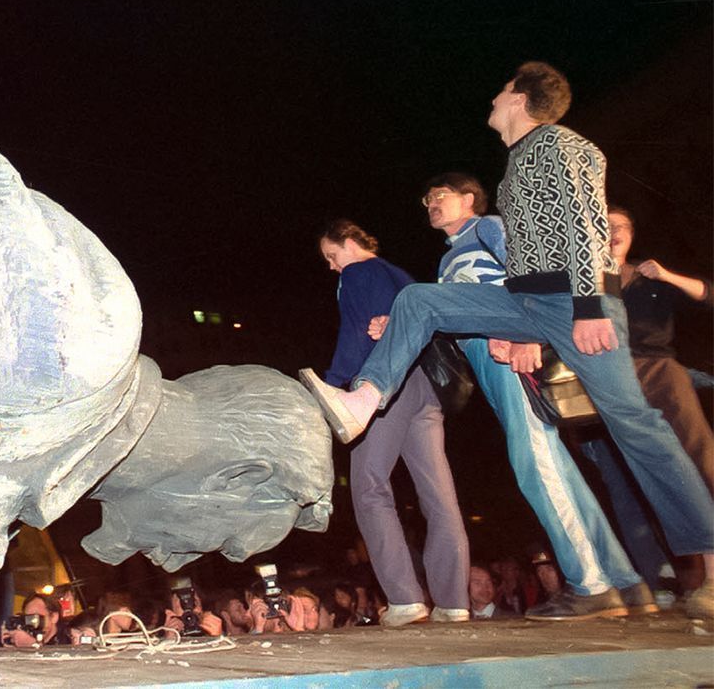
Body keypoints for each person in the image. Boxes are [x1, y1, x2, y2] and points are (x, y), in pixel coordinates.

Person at [300, 61, 714, 621]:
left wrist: (589, 306)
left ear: (519, 97)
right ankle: (363, 398)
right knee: (419, 300)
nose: (493, 98)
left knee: (636, 426)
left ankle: (705, 560)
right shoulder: (516, 164)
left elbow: (587, 219)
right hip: (527, 305)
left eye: (501, 90)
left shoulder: (561, 144)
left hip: (574, 305)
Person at [393, 172, 652, 619]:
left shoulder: (488, 227)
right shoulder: (448, 259)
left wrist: (528, 336)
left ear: (469, 199)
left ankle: (590, 584)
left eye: (440, 196)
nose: (430, 204)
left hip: (512, 354)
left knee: (536, 462)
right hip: (489, 362)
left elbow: (534, 278)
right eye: (426, 198)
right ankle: (624, 583)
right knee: (555, 465)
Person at [303, 219, 469, 626]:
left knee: (370, 489)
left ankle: (406, 599)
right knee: (439, 496)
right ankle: (453, 602)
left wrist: (333, 383)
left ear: (351, 242)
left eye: (332, 255)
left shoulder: (358, 272)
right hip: (426, 388)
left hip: (384, 388)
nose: (331, 266)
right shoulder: (400, 274)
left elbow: (358, 330)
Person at [609, 206, 714, 495]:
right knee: (641, 466)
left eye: (621, 226)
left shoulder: (648, 275)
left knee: (695, 443)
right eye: (605, 225)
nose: (613, 232)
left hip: (655, 365)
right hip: (609, 372)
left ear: (631, 235)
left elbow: (708, 294)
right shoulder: (584, 282)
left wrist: (668, 276)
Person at [1, 595, 65, 647]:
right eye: (27, 618)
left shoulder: (68, 638)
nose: (30, 622)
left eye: (35, 617)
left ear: (54, 617)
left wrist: (31, 645)